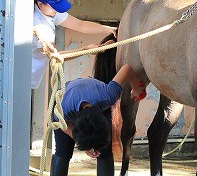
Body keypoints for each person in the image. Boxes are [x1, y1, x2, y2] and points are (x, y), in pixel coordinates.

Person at [49, 45, 145, 176]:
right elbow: (61, 125)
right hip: (66, 101)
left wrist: (136, 87)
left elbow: (126, 68)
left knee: (104, 148)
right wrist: (83, 142)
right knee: (63, 151)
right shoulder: (62, 109)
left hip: (95, 99)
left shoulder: (108, 95)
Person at [32, 0, 117, 89]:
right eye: (54, 6)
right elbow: (56, 56)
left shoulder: (49, 11)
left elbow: (80, 25)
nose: (57, 10)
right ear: (40, 4)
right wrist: (86, 50)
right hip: (23, 78)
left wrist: (108, 29)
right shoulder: (38, 26)